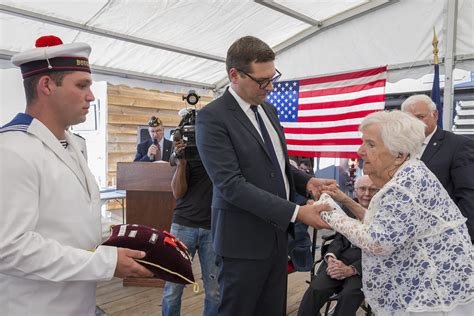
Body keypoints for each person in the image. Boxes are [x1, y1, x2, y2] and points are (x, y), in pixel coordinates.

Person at [0, 35, 153, 315]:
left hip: (77, 302)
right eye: (82, 85)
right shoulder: (11, 149)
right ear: (46, 85)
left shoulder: (74, 143)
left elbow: (68, 222)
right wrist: (105, 263)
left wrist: (120, 239)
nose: (91, 96)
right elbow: (9, 248)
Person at [195, 36, 335, 316]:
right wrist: (297, 212)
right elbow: (231, 185)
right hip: (241, 243)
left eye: (273, 78)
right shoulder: (212, 117)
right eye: (262, 81)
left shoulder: (268, 110)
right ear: (234, 75)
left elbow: (277, 164)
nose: (270, 87)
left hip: (275, 237)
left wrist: (304, 181)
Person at [317, 110, 473, 315]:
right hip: (430, 286)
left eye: (370, 144)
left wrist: (327, 212)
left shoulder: (404, 188)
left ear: (399, 154)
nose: (360, 151)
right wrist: (343, 199)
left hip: (431, 296)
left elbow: (377, 241)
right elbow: (383, 223)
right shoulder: (411, 172)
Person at [298, 175, 378, 316]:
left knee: (349, 294)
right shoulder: (347, 208)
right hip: (339, 260)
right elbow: (339, 239)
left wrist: (352, 269)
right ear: (355, 190)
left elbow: (381, 250)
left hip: (365, 266)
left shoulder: (382, 214)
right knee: (316, 289)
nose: (366, 194)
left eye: (372, 190)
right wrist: (331, 258)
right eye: (362, 189)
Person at [401, 94, 474, 243]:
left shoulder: (458, 145)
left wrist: (462, 237)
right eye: (409, 119)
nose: (415, 123)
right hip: (409, 237)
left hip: (446, 237)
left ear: (435, 115)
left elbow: (469, 195)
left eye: (420, 117)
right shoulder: (400, 148)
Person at [161, 139, 219, 316]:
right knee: (172, 289)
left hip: (212, 226)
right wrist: (181, 163)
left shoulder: (221, 153)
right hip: (183, 225)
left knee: (214, 291)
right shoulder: (187, 154)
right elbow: (178, 192)